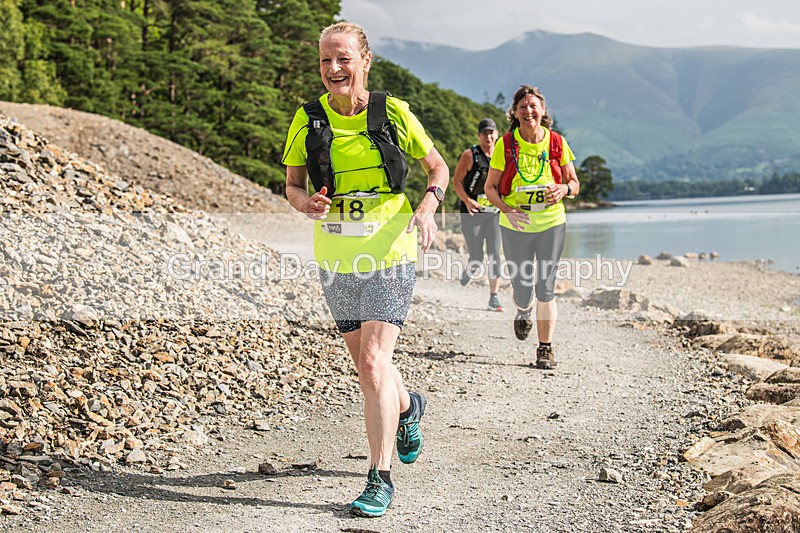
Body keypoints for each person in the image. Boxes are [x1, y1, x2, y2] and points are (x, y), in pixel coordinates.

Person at [281, 22, 449, 517]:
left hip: (392, 251)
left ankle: (379, 478)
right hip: (336, 257)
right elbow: (291, 184)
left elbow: (436, 167)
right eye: (325, 60)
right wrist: (305, 203)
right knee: (367, 364)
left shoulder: (392, 112)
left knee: (374, 362)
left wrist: (429, 205)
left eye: (343, 59)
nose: (334, 69)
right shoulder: (307, 119)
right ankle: (408, 407)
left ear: (365, 61)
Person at [484, 85, 580, 370]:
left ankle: (545, 349)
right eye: (523, 107)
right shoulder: (505, 144)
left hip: (551, 222)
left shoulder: (557, 142)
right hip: (515, 225)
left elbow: (574, 183)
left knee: (546, 287)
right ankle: (523, 311)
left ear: (543, 111)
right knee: (523, 287)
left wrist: (563, 188)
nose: (528, 111)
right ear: (514, 112)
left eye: (533, 106)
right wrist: (507, 210)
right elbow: (490, 188)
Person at [451, 118, 504, 312]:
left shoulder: (502, 155)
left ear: (497, 135)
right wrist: (466, 200)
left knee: (495, 254)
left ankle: (494, 298)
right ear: (479, 136)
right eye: (484, 133)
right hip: (472, 212)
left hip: (494, 212)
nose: (488, 137)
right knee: (476, 255)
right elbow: (456, 182)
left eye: (492, 133)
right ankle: (470, 269)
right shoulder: (470, 155)